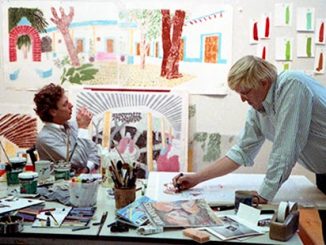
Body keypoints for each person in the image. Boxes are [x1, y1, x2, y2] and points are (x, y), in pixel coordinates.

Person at [173, 55, 326, 239]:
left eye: (245, 91)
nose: (242, 99)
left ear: (264, 82)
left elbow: (286, 149)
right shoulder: (258, 109)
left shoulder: (292, 86)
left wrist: (264, 194)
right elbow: (240, 152)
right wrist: (197, 178)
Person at [34, 83, 100, 174]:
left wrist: (87, 168)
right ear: (53, 112)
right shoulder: (45, 138)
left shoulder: (72, 126)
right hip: (58, 186)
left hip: (78, 184)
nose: (71, 105)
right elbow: (78, 161)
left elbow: (94, 150)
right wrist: (83, 128)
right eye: (65, 104)